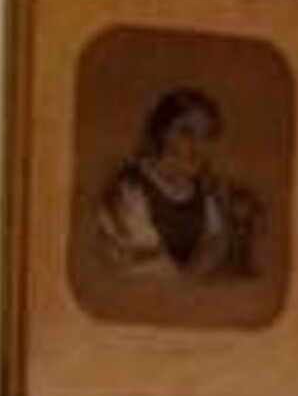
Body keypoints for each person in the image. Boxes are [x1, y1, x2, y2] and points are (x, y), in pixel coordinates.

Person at [96, 87, 260, 278]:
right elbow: (142, 266)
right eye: (186, 133)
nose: (198, 147)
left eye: (206, 136)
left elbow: (215, 248)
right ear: (161, 134)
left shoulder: (206, 193)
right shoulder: (129, 190)